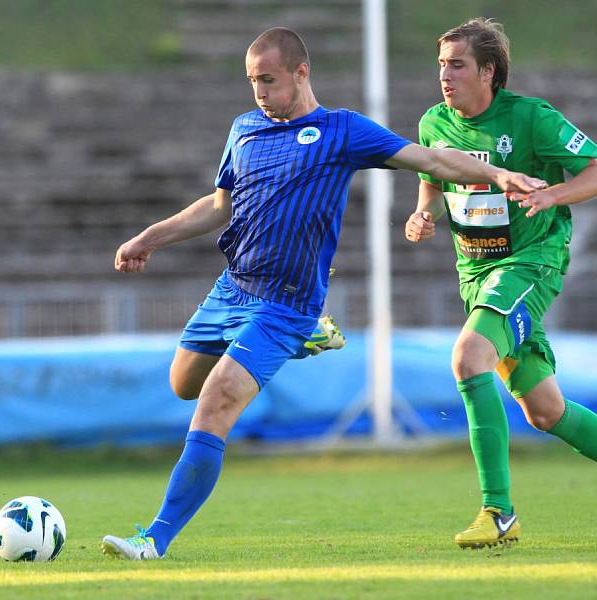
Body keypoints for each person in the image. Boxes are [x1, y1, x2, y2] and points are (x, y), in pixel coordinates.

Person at [100, 26, 546, 560]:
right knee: (183, 384)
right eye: (252, 81)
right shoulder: (244, 130)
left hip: (285, 302)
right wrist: (150, 238)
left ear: (301, 73)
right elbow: (220, 206)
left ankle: (154, 538)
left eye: (269, 79)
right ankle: (309, 337)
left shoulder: (342, 131)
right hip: (232, 288)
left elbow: (431, 160)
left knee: (216, 401)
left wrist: (497, 174)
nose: (259, 91)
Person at [404, 18, 597, 549]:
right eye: (441, 64)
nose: (445, 75)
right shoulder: (433, 123)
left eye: (457, 64)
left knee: (469, 357)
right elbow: (431, 179)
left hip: (532, 263)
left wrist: (549, 196)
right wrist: (423, 215)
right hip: (477, 274)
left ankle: (499, 514)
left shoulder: (531, 118)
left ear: (488, 71)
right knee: (545, 411)